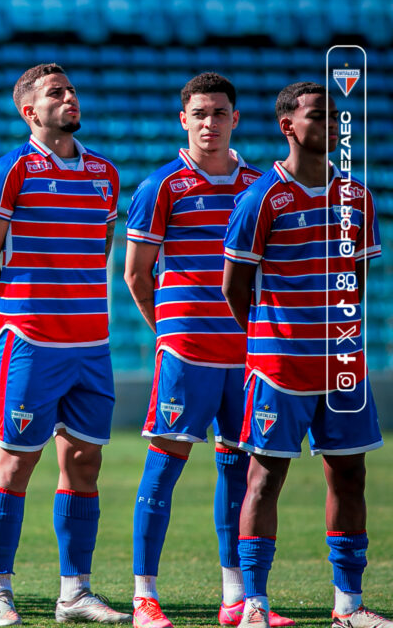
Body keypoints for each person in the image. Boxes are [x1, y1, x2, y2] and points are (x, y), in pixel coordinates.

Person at [122, 73, 295, 628]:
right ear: (183, 120)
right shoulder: (161, 187)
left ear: (236, 119)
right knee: (165, 466)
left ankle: (235, 598)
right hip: (187, 351)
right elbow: (136, 274)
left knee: (239, 474)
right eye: (199, 113)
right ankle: (143, 596)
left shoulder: (257, 187)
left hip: (248, 355)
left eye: (219, 113)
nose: (209, 123)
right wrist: (168, 332)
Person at [222, 82, 388, 628]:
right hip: (279, 365)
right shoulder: (261, 198)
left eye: (336, 115)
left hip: (342, 365)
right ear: (288, 126)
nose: (333, 125)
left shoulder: (358, 199)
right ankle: (255, 604)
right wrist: (274, 337)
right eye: (319, 115)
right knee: (264, 479)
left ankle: (348, 605)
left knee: (350, 477)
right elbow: (234, 286)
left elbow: (357, 279)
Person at [0, 63, 128, 627]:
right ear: (29, 110)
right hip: (32, 342)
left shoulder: (105, 174)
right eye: (55, 93)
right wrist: (7, 318)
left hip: (91, 344)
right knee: (16, 462)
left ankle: (74, 592)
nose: (69, 98)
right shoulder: (10, 171)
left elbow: (100, 248)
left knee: (84, 462)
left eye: (72, 90)